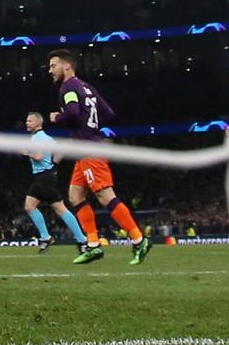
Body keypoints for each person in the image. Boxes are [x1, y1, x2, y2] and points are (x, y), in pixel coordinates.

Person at [48, 49, 151, 266]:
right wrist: (91, 125)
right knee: (75, 196)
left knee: (105, 196)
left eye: (53, 65)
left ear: (67, 66)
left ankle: (139, 239)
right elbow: (109, 113)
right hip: (86, 149)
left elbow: (72, 112)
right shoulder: (88, 88)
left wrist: (57, 118)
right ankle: (94, 245)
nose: (50, 70)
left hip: (89, 150)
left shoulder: (68, 87)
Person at [22, 112, 86, 253]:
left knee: (60, 208)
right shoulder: (47, 138)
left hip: (44, 177)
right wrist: (54, 164)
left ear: (38, 123)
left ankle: (82, 239)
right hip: (44, 176)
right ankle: (46, 237)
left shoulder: (36, 139)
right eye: (27, 121)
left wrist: (25, 152)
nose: (27, 123)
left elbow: (38, 156)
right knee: (29, 206)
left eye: (30, 121)